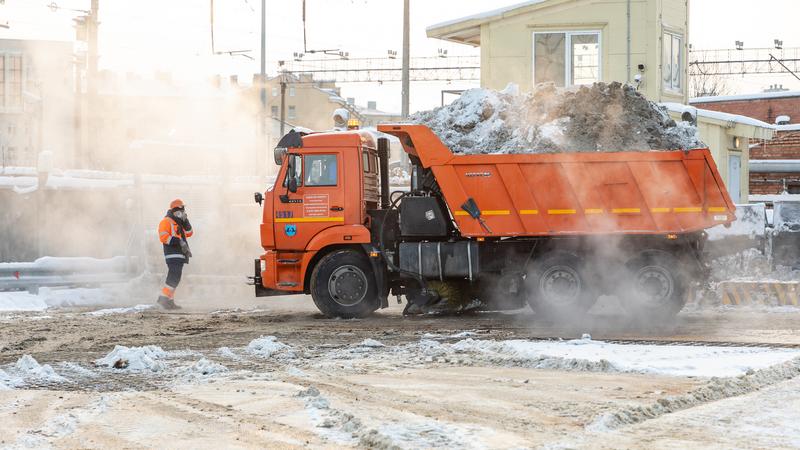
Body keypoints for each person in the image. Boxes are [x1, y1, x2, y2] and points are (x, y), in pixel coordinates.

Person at [157, 199, 193, 309]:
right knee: (174, 277)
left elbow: (190, 233)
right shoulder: (166, 221)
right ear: (176, 210)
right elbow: (163, 237)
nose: (183, 211)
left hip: (180, 254)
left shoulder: (180, 223)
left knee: (175, 277)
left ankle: (169, 301)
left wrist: (185, 221)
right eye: (181, 209)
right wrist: (179, 241)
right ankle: (163, 298)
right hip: (172, 254)